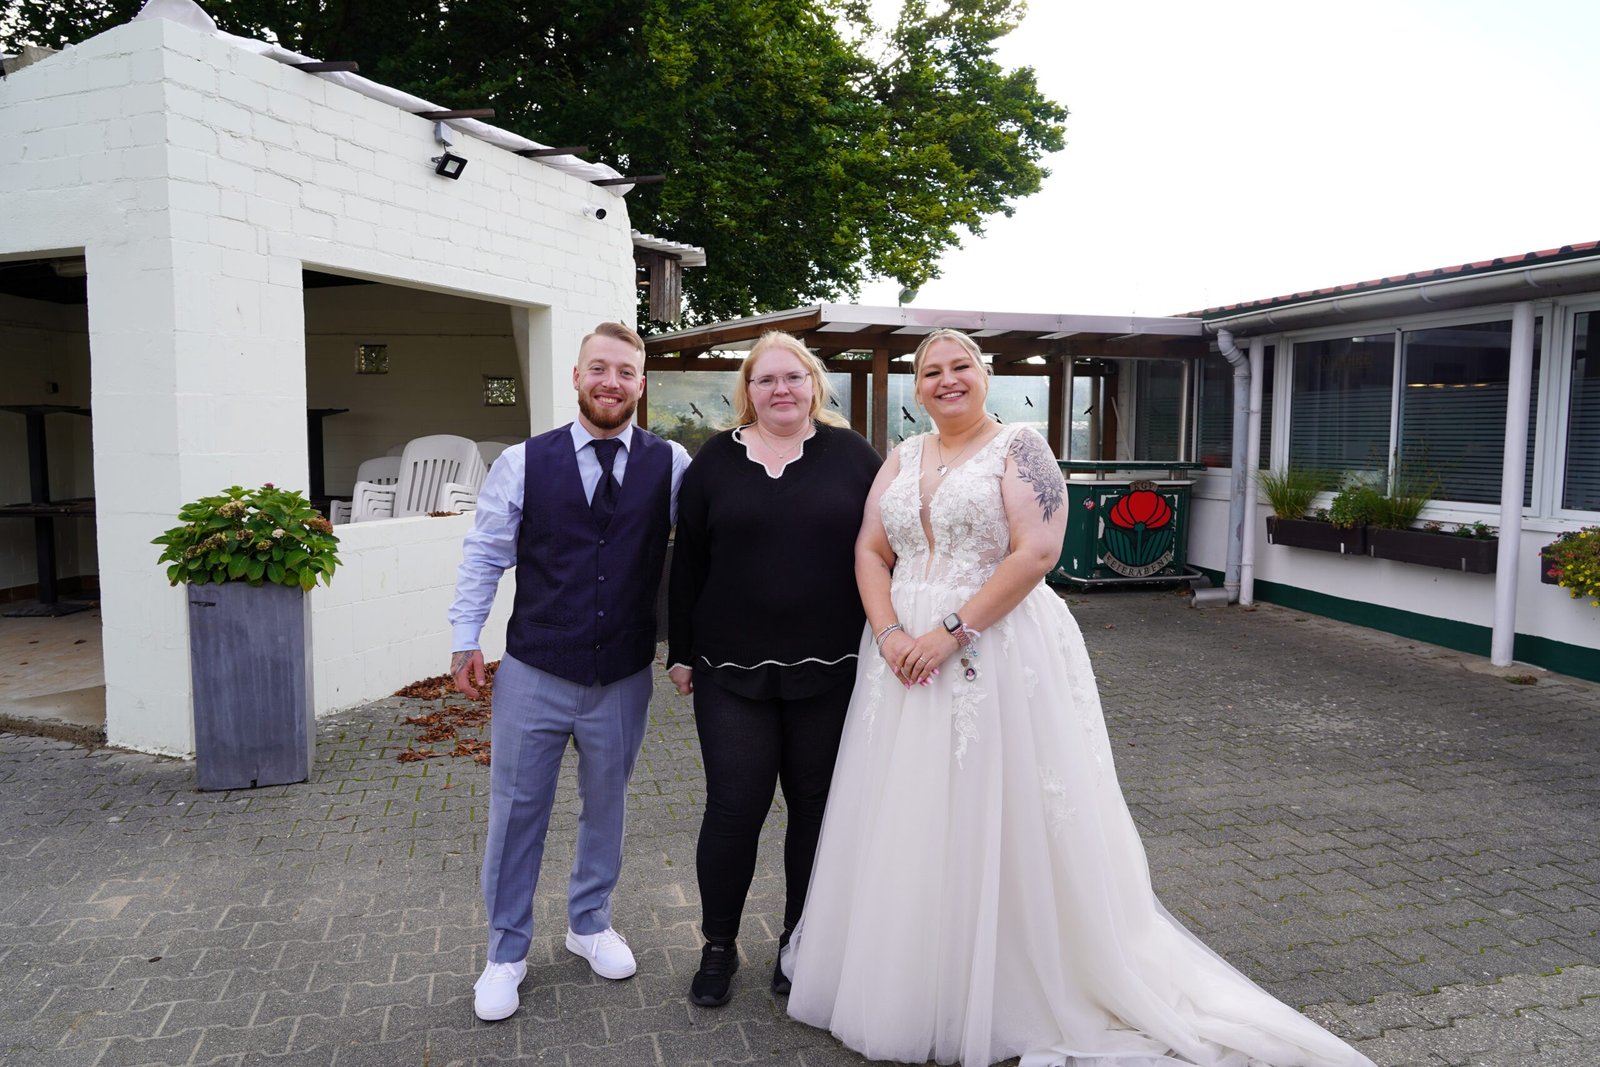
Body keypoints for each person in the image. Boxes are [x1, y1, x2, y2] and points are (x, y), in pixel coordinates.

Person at [786, 329, 1375, 1067]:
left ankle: (1004, 978)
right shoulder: (902, 456)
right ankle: (904, 972)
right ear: (917, 384)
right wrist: (889, 632)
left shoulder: (1021, 446)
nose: (946, 380)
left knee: (991, 800)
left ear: (985, 373)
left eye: (960, 366)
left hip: (988, 645)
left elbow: (1037, 551)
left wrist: (948, 633)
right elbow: (871, 549)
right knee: (905, 805)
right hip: (899, 653)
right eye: (931, 371)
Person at [448, 321, 691, 1023]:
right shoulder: (524, 461)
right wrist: (465, 637)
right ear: (578, 375)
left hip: (623, 672)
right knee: (517, 810)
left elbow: (704, 552)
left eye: (626, 371)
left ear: (641, 384)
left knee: (606, 805)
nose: (612, 382)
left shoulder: (671, 463)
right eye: (599, 368)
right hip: (536, 668)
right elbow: (485, 551)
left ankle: (589, 923)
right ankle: (505, 951)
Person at [667, 331, 881, 1007]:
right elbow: (687, 560)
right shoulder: (714, 461)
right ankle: (719, 945)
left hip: (833, 666)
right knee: (734, 808)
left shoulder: (854, 456)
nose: (781, 389)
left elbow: (887, 548)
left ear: (813, 383)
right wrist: (680, 650)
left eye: (793, 376)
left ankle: (800, 942)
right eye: (766, 379)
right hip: (730, 668)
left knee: (815, 810)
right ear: (749, 391)